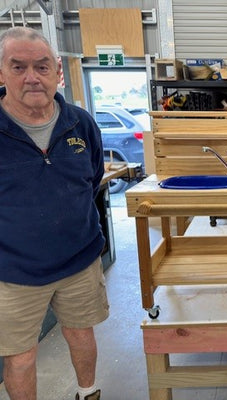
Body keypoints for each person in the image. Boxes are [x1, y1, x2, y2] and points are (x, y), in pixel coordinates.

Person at [0, 27, 108, 400]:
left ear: (57, 71)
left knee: (81, 334)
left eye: (42, 66)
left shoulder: (80, 123)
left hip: (78, 260)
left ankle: (88, 392)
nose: (32, 77)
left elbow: (92, 179)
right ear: (1, 73)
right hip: (13, 272)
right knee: (20, 358)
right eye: (18, 67)